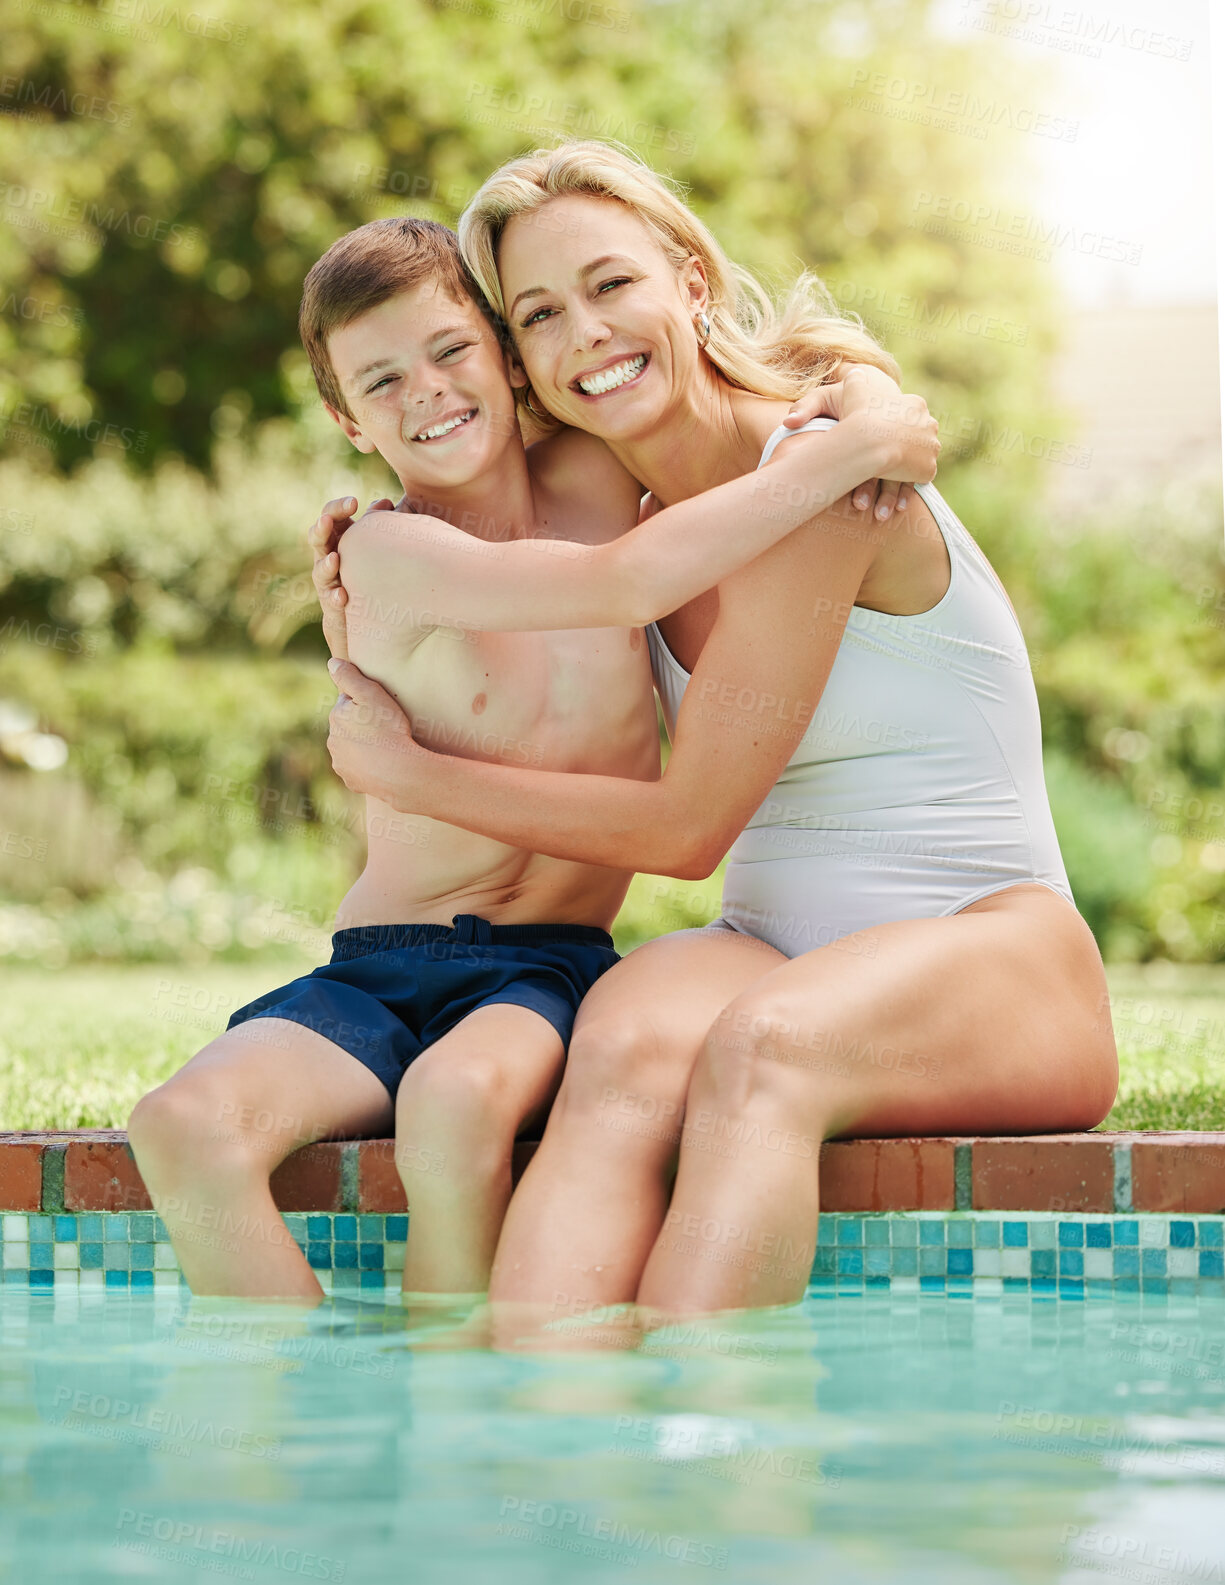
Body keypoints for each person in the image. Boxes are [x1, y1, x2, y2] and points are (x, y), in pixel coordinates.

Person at [317, 141, 1118, 1335]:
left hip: (990, 945)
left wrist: (409, 772)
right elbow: (458, 504)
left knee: (760, 1054)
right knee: (623, 1045)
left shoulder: (824, 477)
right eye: (539, 313)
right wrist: (363, 552)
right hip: (767, 941)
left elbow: (688, 829)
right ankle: (526, 1444)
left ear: (689, 281)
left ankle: (726, 1481)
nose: (584, 331)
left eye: (610, 284)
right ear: (519, 361)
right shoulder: (610, 522)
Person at [127, 213, 934, 1303]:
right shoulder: (386, 550)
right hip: (383, 961)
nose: (428, 393)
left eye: (451, 351)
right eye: (380, 381)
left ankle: (460, 1420)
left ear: (508, 360)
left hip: (543, 964)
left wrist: (870, 406)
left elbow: (741, 394)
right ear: (345, 420)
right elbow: (622, 586)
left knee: (454, 1102)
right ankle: (300, 1440)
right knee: (180, 1125)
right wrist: (848, 456)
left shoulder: (603, 471)